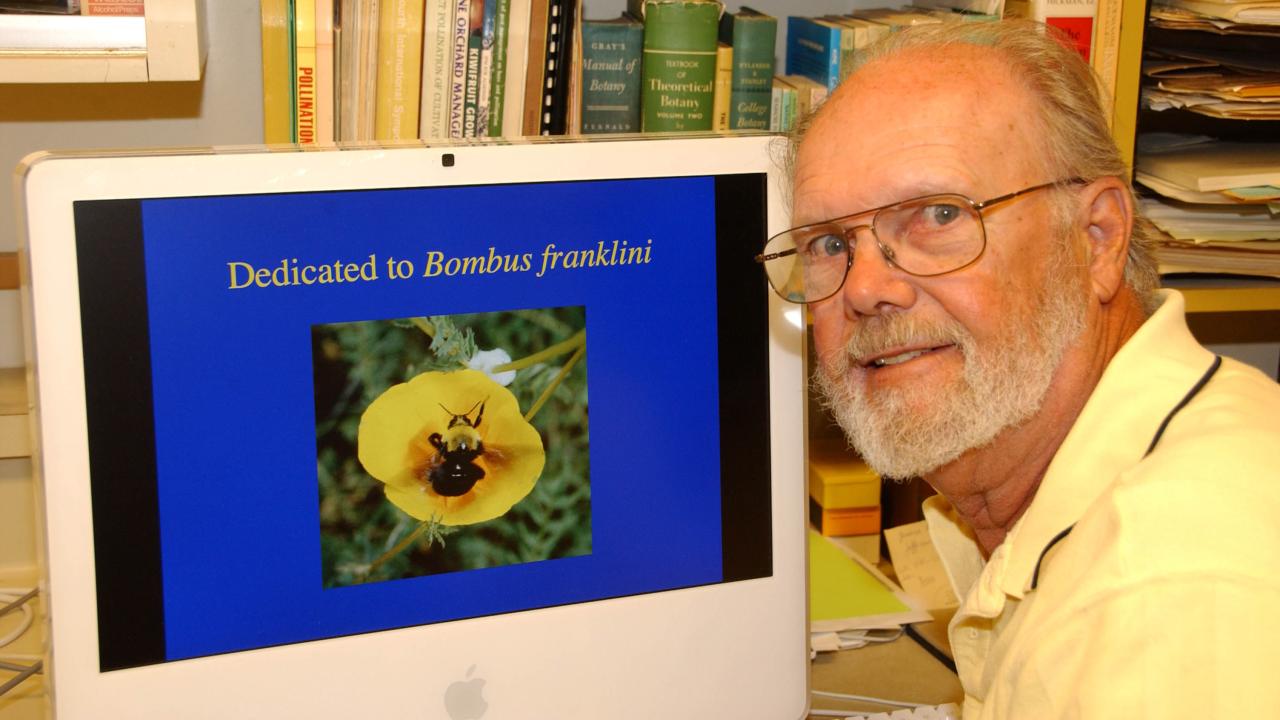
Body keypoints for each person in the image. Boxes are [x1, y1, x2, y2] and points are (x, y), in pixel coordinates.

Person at [757, 19, 1280, 719]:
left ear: (1097, 239)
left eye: (938, 213)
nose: (862, 288)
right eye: (827, 242)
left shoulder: (1156, 599)